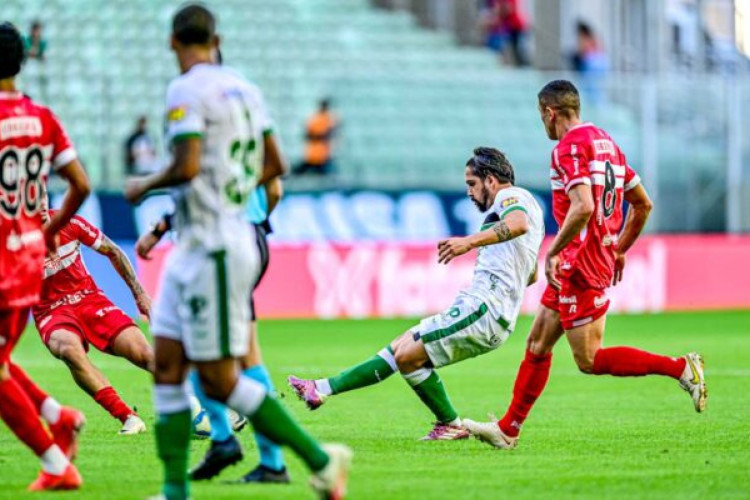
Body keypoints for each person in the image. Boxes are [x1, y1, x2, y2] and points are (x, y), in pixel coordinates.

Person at [123, 6, 350, 500]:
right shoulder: (246, 88)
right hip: (200, 242)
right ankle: (173, 489)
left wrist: (145, 184)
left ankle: (319, 459)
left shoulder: (185, 88)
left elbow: (184, 167)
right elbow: (277, 163)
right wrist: (226, 189)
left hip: (218, 248)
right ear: (216, 37)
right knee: (166, 363)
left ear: (172, 43)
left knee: (222, 379)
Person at [463, 80, 707, 449]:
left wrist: (555, 251)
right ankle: (508, 428)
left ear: (550, 112)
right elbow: (643, 204)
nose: (542, 124)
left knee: (589, 359)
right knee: (538, 342)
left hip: (579, 262)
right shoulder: (606, 143)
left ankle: (681, 369)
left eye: (541, 116)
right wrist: (619, 248)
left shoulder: (568, 148)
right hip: (586, 258)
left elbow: (585, 207)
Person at [289, 147, 544, 440]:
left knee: (407, 354)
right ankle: (321, 388)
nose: (469, 192)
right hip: (489, 309)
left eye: (472, 184)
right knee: (402, 349)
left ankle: (450, 423)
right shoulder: (527, 208)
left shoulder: (510, 197)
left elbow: (517, 223)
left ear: (490, 179)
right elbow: (532, 274)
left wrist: (469, 243)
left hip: (485, 307)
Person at [137, 180, 289, 483]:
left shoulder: (210, 134)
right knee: (245, 355)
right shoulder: (254, 135)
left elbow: (196, 181)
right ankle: (266, 459)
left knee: (191, 345)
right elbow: (275, 190)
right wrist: (256, 219)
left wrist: (157, 222)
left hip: (223, 242)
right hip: (251, 237)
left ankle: (227, 440)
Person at [0, 21, 91, 491]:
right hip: (28, 259)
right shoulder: (42, 117)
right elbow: (82, 184)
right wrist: (51, 229)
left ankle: (57, 463)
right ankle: (61, 417)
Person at [32, 195, 153, 435]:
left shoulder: (71, 223)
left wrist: (139, 295)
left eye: (43, 197)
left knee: (143, 353)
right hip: (51, 311)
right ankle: (128, 417)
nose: (41, 205)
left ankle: (208, 402)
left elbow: (114, 251)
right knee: (67, 348)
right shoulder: (11, 244)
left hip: (89, 299)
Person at [293, 98, 338, 175]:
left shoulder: (329, 119)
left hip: (323, 154)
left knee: (323, 171)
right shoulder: (315, 118)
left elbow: (330, 133)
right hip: (313, 153)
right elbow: (307, 134)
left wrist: (317, 136)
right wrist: (318, 136)